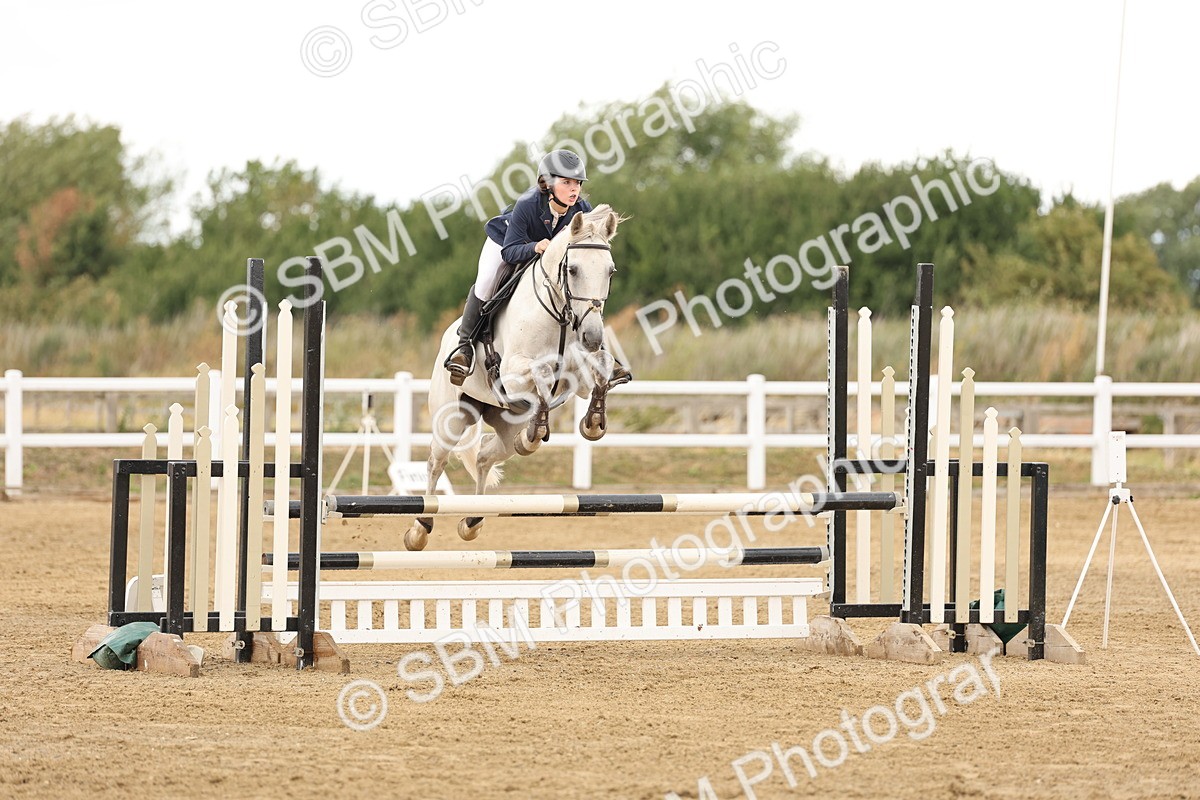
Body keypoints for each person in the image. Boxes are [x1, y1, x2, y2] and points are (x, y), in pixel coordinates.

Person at [444, 149, 631, 387]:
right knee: (487, 281)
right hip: (507, 242)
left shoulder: (582, 209)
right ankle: (464, 348)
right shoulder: (527, 204)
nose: (574, 189)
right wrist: (534, 247)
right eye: (566, 183)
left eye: (577, 183)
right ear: (547, 184)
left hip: (546, 254)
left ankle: (599, 354)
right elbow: (509, 252)